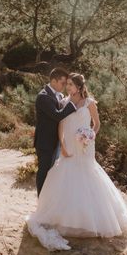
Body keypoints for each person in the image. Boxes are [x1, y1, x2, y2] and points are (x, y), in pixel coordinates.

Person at [27, 73, 127, 251]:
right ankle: (62, 217)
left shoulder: (89, 103)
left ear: (79, 87)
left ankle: (89, 220)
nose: (68, 88)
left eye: (71, 85)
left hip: (85, 147)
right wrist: (62, 145)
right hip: (69, 146)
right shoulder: (64, 101)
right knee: (64, 176)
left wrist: (91, 136)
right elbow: (60, 124)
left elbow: (97, 124)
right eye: (66, 84)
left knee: (87, 176)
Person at [34, 67, 76, 195]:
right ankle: (41, 200)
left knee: (52, 173)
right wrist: (72, 104)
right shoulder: (43, 97)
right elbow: (57, 115)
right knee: (44, 171)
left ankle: (49, 200)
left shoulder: (60, 96)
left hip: (57, 142)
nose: (64, 87)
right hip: (45, 142)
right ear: (53, 81)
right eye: (63, 83)